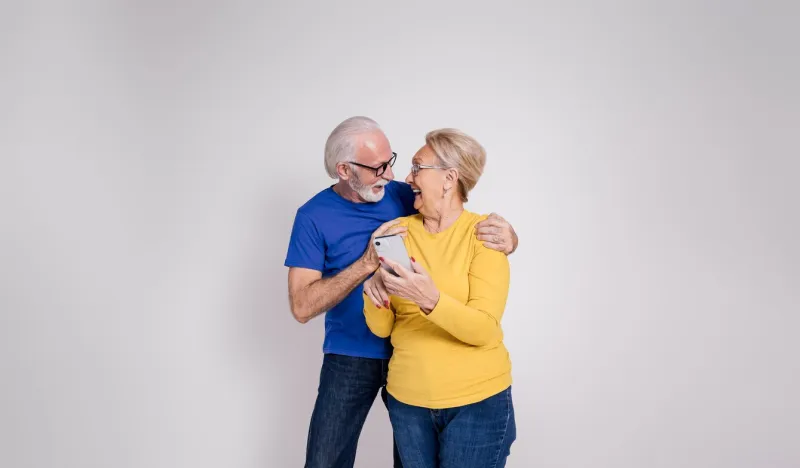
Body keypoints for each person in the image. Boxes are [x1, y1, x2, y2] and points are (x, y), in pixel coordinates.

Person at [284, 116, 519, 468]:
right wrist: (366, 268)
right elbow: (301, 307)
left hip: (411, 360)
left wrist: (510, 239)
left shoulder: (402, 196)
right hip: (353, 354)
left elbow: (452, 215)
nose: (392, 176)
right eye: (378, 168)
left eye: (392, 162)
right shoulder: (313, 216)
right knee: (325, 460)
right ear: (345, 170)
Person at [362, 128, 516, 468]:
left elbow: (484, 330)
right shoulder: (395, 233)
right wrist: (374, 294)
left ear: (449, 178)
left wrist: (430, 300)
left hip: (477, 404)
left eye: (417, 167)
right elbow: (382, 329)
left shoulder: (484, 235)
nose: (407, 177)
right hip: (408, 403)